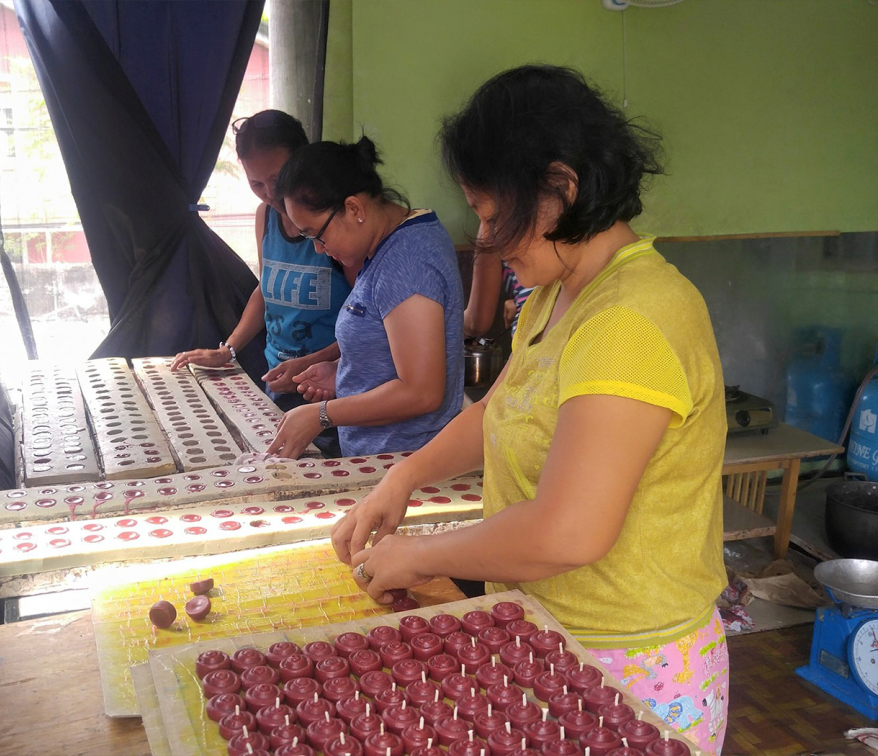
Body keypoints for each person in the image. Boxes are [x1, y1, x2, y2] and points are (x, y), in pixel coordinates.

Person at [330, 65, 730, 754]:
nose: (484, 240)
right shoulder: (554, 295)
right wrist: (402, 480)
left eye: (491, 216)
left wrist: (423, 555)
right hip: (547, 633)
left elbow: (568, 532)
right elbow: (498, 410)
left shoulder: (631, 319)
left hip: (626, 664)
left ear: (561, 190)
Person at [264, 137, 465, 460]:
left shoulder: (407, 260)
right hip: (382, 461)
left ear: (354, 208)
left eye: (317, 234)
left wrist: (322, 414)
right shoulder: (386, 248)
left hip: (406, 462)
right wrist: (346, 371)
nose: (318, 248)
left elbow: (422, 392)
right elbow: (396, 350)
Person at [170, 110, 353, 456]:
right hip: (278, 381)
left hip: (329, 388)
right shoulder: (266, 217)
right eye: (257, 184)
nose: (271, 192)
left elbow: (365, 318)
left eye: (278, 177)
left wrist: (316, 362)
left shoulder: (335, 222)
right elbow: (265, 288)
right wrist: (229, 350)